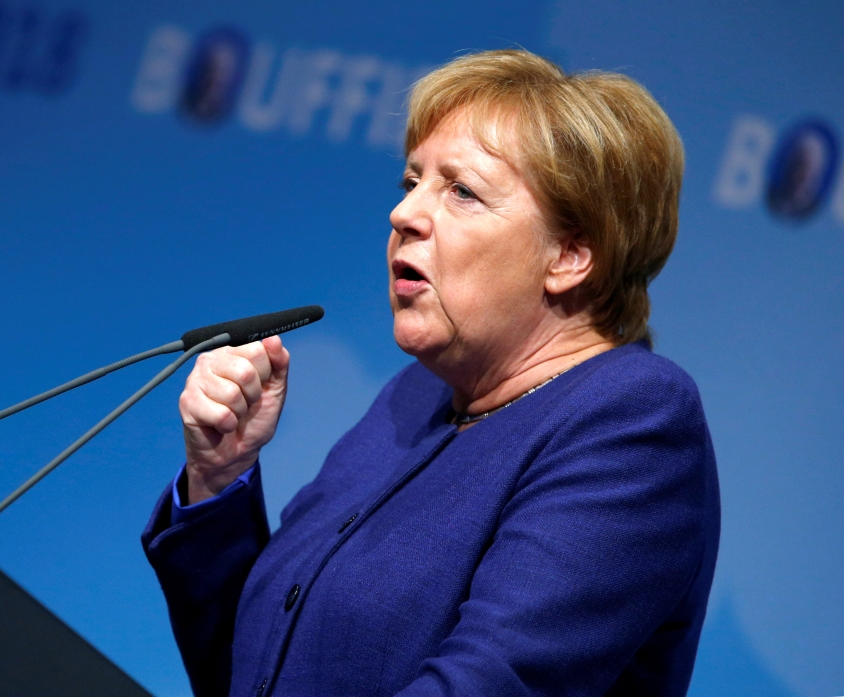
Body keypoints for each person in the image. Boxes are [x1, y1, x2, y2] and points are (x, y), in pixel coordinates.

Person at [142, 49, 720, 697]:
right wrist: (219, 478)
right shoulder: (414, 399)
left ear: (571, 254)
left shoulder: (632, 419)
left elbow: (494, 682)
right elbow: (251, 673)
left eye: (462, 191)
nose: (405, 214)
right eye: (411, 182)